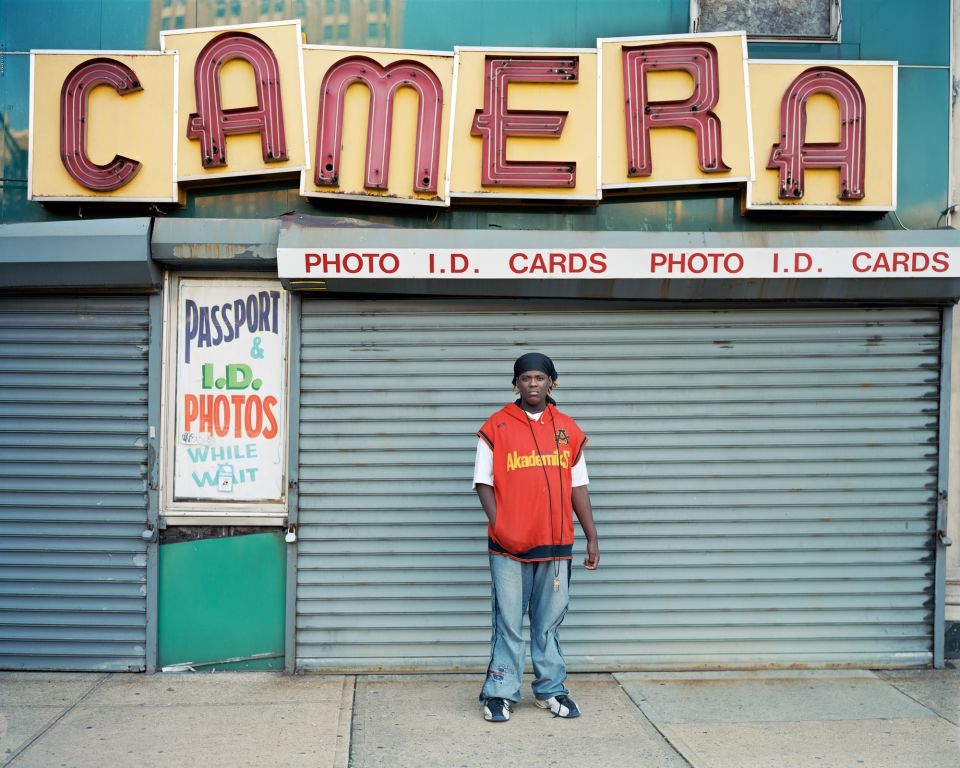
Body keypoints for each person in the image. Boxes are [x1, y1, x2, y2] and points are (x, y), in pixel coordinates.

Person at [473, 352, 600, 723]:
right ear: (517, 383)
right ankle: (500, 692)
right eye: (526, 378)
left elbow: (578, 487)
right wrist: (501, 528)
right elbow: (483, 483)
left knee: (548, 623)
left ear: (551, 382)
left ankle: (551, 689)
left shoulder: (567, 429)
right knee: (509, 622)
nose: (533, 384)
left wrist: (592, 537)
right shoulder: (496, 426)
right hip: (509, 547)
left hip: (556, 545)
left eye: (539, 378)